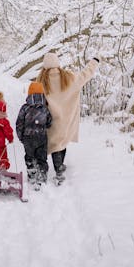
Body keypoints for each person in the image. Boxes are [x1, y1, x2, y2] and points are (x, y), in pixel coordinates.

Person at [39, 52, 98, 183]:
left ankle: (58, 168)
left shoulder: (41, 81)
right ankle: (59, 169)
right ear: (57, 64)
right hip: (66, 120)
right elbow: (85, 74)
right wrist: (94, 61)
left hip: (50, 120)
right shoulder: (69, 78)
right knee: (62, 142)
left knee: (55, 143)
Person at [15, 81, 52, 188]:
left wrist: (21, 137)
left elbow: (19, 124)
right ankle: (42, 176)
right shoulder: (45, 108)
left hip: (28, 138)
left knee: (29, 157)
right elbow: (49, 122)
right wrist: (44, 127)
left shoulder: (25, 108)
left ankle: (32, 175)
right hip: (41, 137)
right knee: (42, 158)